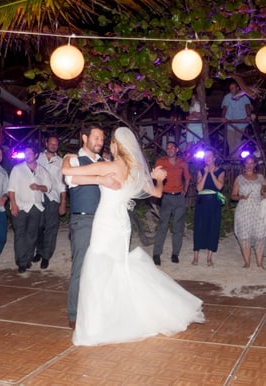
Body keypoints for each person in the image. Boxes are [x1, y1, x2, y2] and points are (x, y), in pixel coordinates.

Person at [62, 127, 204, 346]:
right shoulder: (135, 169)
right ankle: (116, 313)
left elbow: (67, 173)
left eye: (109, 141)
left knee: (97, 266)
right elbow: (157, 193)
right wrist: (157, 179)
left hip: (107, 221)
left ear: (116, 145)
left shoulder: (111, 165)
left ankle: (99, 321)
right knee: (118, 266)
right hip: (122, 224)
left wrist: (66, 158)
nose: (107, 144)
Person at [63, 124, 118, 329]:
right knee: (81, 267)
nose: (99, 142)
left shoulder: (104, 162)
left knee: (102, 268)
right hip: (84, 220)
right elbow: (71, 177)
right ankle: (74, 314)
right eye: (96, 138)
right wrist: (100, 179)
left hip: (104, 221)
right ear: (84, 138)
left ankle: (98, 310)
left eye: (102, 139)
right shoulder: (73, 159)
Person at [8, 144, 51, 273]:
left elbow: (48, 188)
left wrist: (38, 187)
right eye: (25, 153)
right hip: (20, 205)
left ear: (36, 155)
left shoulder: (42, 170)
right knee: (20, 234)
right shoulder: (17, 169)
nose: (27, 155)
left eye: (30, 153)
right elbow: (11, 188)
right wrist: (13, 205)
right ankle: (21, 262)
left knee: (32, 235)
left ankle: (27, 259)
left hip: (36, 206)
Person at [152, 141, 191, 265]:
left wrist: (185, 189)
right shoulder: (161, 162)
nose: (170, 150)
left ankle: (175, 254)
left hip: (179, 197)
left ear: (177, 149)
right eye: (168, 148)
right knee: (162, 226)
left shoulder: (182, 162)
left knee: (178, 227)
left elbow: (188, 177)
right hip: (166, 197)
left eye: (172, 148)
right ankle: (156, 253)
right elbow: (155, 176)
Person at [34, 134, 67, 269]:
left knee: (51, 228)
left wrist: (63, 202)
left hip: (53, 197)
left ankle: (46, 256)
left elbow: (62, 183)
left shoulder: (60, 161)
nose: (53, 146)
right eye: (51, 143)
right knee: (38, 226)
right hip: (37, 196)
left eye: (56, 144)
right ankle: (39, 251)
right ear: (46, 143)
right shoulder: (38, 158)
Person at [231, 155, 266, 268]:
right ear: (244, 164)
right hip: (244, 209)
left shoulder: (261, 177)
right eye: (247, 163)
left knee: (260, 236)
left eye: (252, 163)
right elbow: (233, 196)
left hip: (258, 209)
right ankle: (247, 262)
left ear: (255, 164)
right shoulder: (239, 178)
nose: (249, 165)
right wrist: (241, 197)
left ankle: (259, 263)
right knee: (245, 236)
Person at [193, 148, 226, 266]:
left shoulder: (221, 171)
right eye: (205, 156)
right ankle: (195, 256)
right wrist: (206, 173)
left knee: (213, 226)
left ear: (214, 158)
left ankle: (209, 257)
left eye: (209, 156)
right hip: (202, 201)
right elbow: (198, 188)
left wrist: (211, 173)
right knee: (199, 226)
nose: (207, 158)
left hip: (214, 202)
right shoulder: (201, 171)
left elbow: (219, 186)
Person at [221, 80, 251, 159]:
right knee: (230, 140)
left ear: (237, 88)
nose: (231, 90)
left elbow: (247, 106)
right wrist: (223, 117)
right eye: (230, 88)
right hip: (230, 122)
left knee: (237, 139)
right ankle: (232, 158)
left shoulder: (244, 96)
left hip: (241, 122)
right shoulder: (227, 97)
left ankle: (236, 158)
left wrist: (248, 116)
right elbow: (224, 108)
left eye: (233, 88)